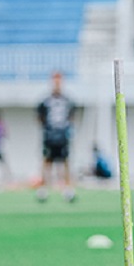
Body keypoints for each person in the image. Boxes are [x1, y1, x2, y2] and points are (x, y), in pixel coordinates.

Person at [36, 71, 78, 203]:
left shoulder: (67, 101)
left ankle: (67, 189)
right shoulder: (45, 101)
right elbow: (40, 117)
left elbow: (71, 117)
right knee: (47, 162)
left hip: (63, 137)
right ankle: (43, 189)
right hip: (49, 136)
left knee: (65, 162)